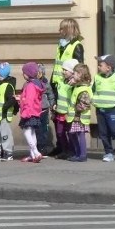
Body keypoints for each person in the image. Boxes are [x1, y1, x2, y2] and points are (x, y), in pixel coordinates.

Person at [48, 19, 84, 156]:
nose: (60, 31)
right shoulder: (61, 44)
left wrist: (75, 79)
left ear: (69, 29)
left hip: (68, 85)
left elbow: (79, 66)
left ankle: (69, 148)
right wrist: (52, 80)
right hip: (58, 83)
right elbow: (57, 64)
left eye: (62, 28)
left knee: (65, 117)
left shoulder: (77, 46)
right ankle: (60, 145)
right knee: (56, 117)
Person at [18, 62, 46, 163]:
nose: (23, 74)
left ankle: (36, 152)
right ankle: (33, 155)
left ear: (28, 73)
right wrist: (21, 98)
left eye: (24, 72)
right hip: (35, 112)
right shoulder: (37, 84)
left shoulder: (30, 86)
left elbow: (29, 100)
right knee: (33, 133)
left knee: (27, 132)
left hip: (29, 112)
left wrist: (25, 113)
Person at [65, 63, 93, 162]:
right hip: (75, 116)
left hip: (80, 116)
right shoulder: (78, 86)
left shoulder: (84, 89)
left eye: (76, 73)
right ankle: (78, 153)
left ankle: (82, 154)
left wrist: (77, 109)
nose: (73, 75)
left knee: (80, 135)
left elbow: (85, 103)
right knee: (73, 134)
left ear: (81, 74)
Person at [52, 58, 79, 159]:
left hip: (69, 113)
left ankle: (73, 151)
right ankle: (65, 150)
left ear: (72, 72)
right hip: (60, 112)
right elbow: (57, 94)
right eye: (63, 69)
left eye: (65, 70)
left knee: (71, 133)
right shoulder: (61, 81)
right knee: (60, 133)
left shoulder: (74, 85)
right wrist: (54, 104)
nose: (63, 72)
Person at [36, 63, 55, 155]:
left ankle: (42, 148)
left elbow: (50, 95)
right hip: (34, 110)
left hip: (44, 110)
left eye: (39, 72)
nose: (38, 74)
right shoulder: (30, 84)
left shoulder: (46, 84)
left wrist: (52, 105)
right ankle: (36, 147)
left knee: (43, 129)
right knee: (35, 130)